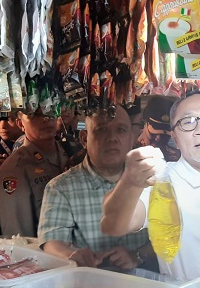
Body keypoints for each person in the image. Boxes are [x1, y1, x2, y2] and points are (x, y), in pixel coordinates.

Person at [101, 93, 200, 281]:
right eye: (187, 122)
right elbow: (116, 225)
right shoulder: (162, 181)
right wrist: (129, 182)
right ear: (174, 136)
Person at [39, 106, 156, 271]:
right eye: (101, 130)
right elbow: (52, 241)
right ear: (84, 139)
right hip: (88, 287)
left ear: (131, 139)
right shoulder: (60, 188)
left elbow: (171, 236)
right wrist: (71, 256)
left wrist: (136, 255)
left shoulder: (152, 180)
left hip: (149, 285)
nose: (112, 138)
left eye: (121, 130)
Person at [0, 108, 68, 236]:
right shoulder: (14, 169)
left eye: (50, 112)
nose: (46, 119)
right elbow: (18, 234)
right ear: (20, 124)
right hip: (45, 251)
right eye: (35, 115)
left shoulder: (71, 151)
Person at [137, 95, 181, 161]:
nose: (158, 138)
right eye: (154, 134)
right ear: (143, 123)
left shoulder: (174, 156)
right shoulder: (128, 148)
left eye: (164, 135)